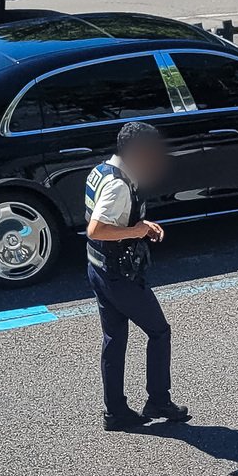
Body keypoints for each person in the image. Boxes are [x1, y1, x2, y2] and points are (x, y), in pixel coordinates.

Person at [85, 122, 190, 431]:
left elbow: (103, 219)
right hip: (119, 274)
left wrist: (141, 223)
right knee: (159, 331)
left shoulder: (103, 170)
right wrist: (138, 230)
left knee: (114, 338)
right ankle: (158, 400)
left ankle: (115, 411)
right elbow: (96, 228)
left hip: (97, 267)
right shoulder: (118, 184)